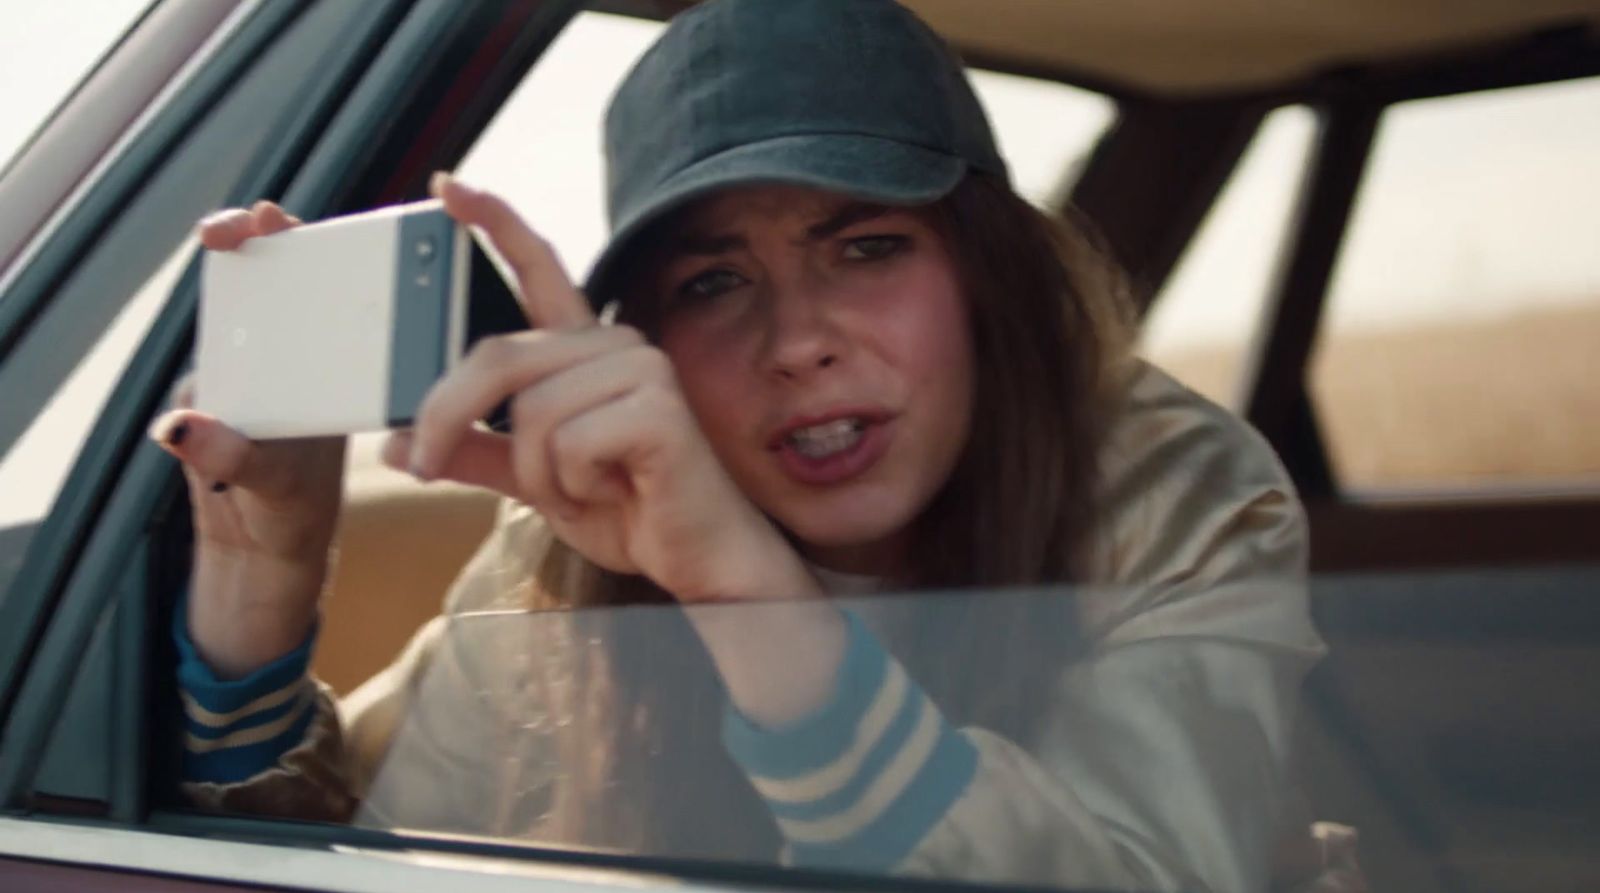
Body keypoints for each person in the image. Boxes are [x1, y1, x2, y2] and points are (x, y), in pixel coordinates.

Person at [148, 1, 1364, 891]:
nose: (796, 342)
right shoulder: (577, 534)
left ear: (987, 274)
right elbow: (351, 852)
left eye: (865, 247)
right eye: (715, 278)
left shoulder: (1166, 483)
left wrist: (746, 597)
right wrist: (263, 593)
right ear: (650, 337)